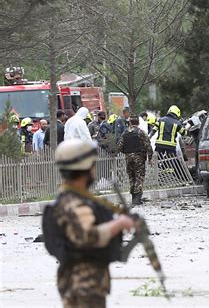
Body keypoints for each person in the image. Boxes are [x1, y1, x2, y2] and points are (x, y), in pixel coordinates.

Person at [42, 139, 135, 307]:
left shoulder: (74, 199)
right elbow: (88, 237)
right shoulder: (73, 204)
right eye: (93, 165)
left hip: (82, 281)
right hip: (83, 284)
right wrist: (119, 224)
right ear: (85, 169)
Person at [117, 115, 153, 205]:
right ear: (138, 123)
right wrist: (150, 158)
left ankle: (133, 197)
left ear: (130, 123)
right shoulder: (141, 133)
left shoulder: (124, 133)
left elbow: (119, 147)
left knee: (131, 177)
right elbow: (148, 146)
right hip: (139, 158)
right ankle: (137, 199)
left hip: (128, 158)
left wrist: (127, 152)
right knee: (139, 177)